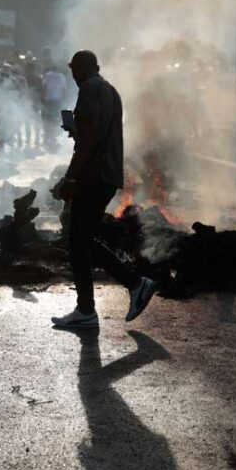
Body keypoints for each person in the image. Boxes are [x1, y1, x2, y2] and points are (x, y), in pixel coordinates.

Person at [50, 50, 159, 330]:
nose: (73, 76)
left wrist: (70, 178)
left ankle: (130, 287)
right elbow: (96, 133)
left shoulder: (88, 89)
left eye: (74, 71)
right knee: (82, 240)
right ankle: (95, 304)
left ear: (79, 70)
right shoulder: (110, 90)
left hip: (93, 175)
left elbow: (89, 141)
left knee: (78, 240)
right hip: (108, 175)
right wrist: (78, 132)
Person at [42, 62, 66, 150]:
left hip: (48, 99)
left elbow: (44, 86)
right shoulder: (61, 76)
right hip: (58, 100)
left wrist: (42, 97)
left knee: (48, 118)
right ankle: (53, 137)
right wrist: (63, 99)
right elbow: (63, 89)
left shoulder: (48, 75)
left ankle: (48, 136)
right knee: (56, 118)